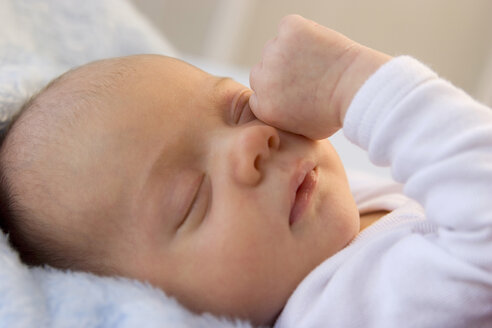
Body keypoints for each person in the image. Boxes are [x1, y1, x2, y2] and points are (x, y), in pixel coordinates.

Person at [0, 14, 490, 328]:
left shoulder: (339, 220)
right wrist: (355, 84)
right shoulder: (340, 312)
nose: (255, 141)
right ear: (148, 299)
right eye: (195, 198)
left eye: (239, 109)